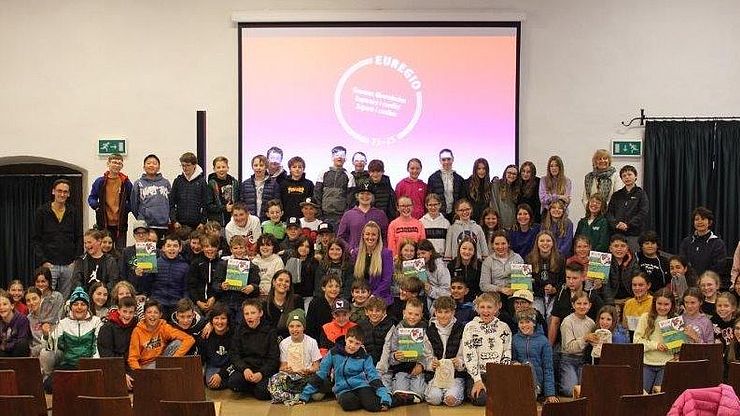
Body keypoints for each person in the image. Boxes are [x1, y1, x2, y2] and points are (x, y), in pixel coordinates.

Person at [299, 326, 394, 411]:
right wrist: (304, 396)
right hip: (343, 389)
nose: (352, 346)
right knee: (348, 404)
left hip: (361, 386)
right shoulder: (333, 353)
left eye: (357, 343)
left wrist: (385, 398)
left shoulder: (365, 357)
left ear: (361, 344)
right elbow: (321, 374)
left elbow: (374, 378)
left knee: (374, 407)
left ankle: (394, 398)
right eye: (350, 341)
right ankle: (367, 401)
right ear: (345, 338)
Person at [42, 287, 103, 391]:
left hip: (89, 365)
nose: (79, 307)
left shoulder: (96, 322)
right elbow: (50, 347)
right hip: (69, 364)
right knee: (49, 386)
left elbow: (97, 346)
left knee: (93, 387)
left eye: (83, 304)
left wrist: (95, 367)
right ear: (70, 307)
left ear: (87, 307)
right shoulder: (63, 323)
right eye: (75, 304)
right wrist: (46, 335)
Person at [32, 178, 83, 299]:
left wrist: (75, 260)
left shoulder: (73, 212)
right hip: (50, 264)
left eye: (65, 192)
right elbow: (35, 239)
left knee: (65, 299)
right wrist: (44, 261)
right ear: (53, 191)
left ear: (69, 194)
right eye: (59, 191)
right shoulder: (42, 211)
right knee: (46, 298)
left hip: (69, 264)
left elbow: (79, 237)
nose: (62, 194)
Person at [462, 292, 512, 406]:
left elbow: (507, 352)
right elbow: (469, 355)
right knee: (481, 400)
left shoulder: (504, 327)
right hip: (478, 374)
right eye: (482, 307)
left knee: (505, 399)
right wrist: (477, 380)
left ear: (496, 309)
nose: (485, 311)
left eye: (489, 307)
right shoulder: (470, 327)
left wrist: (500, 377)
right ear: (477, 309)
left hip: (498, 374)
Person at [377, 297, 431, 401]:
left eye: (416, 314)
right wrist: (395, 357)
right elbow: (391, 355)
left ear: (421, 315)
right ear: (404, 312)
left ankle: (415, 393)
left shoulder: (425, 329)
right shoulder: (397, 329)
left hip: (417, 369)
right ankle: (398, 387)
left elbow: (429, 353)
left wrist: (422, 365)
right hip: (401, 369)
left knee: (419, 393)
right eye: (410, 313)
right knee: (400, 391)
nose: (412, 317)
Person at [227, 298, 280, 400]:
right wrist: (244, 369)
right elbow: (234, 354)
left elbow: (273, 358)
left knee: (262, 394)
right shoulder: (239, 330)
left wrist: (261, 373)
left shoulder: (270, 331)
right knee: (233, 383)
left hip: (263, 370)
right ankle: (253, 386)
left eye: (253, 313)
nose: (249, 317)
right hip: (247, 368)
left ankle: (256, 388)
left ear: (260, 313)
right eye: (246, 314)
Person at [267, 308, 322, 404]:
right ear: (288, 327)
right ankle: (299, 395)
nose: (295, 329)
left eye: (298, 326)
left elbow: (316, 366)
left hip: (307, 376)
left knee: (317, 393)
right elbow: (282, 366)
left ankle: (295, 394)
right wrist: (286, 369)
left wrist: (309, 370)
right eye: (291, 326)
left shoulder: (312, 342)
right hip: (291, 377)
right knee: (275, 379)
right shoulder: (284, 343)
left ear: (303, 327)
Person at [127, 299, 194, 370]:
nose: (152, 315)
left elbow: (189, 339)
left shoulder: (163, 327)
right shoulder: (137, 331)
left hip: (161, 363)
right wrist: (140, 373)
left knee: (177, 343)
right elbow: (132, 358)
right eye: (149, 312)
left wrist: (175, 357)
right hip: (145, 367)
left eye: (156, 312)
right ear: (144, 315)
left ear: (160, 315)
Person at [424, 296, 466, 407]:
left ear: (453, 312)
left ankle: (450, 392)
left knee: (451, 399)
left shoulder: (461, 329)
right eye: (440, 312)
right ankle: (438, 392)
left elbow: (464, 355)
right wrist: (431, 364)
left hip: (455, 376)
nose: (443, 316)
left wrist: (459, 362)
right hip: (436, 376)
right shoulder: (429, 331)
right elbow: (427, 355)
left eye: (447, 312)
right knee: (434, 399)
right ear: (435, 313)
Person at [633, 288, 677, 393]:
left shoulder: (675, 319)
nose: (662, 307)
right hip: (647, 364)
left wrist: (672, 347)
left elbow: (677, 348)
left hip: (666, 364)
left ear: (672, 305)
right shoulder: (645, 317)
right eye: (659, 304)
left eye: (666, 304)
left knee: (660, 395)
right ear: (654, 303)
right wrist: (655, 345)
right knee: (642, 393)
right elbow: (637, 341)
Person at [135, 234, 189, 318]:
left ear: (180, 248)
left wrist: (184, 305)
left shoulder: (185, 266)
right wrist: (141, 275)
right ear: (163, 248)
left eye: (175, 246)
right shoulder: (154, 262)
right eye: (169, 246)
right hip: (157, 303)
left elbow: (186, 289)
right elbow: (146, 286)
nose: (172, 248)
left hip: (176, 305)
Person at [512, 308, 558, 403]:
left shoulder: (543, 341)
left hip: (538, 381)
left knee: (528, 364)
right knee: (525, 364)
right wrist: (515, 363)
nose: (524, 325)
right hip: (520, 379)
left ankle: (535, 391)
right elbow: (512, 359)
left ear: (534, 323)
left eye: (528, 322)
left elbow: (548, 368)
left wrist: (550, 393)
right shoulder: (515, 339)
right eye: (521, 322)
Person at [88, 153, 133, 249]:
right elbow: (92, 197)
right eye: (114, 162)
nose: (116, 165)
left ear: (122, 166)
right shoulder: (100, 182)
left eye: (119, 163)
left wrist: (126, 209)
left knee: (120, 251)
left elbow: (132, 200)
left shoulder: (126, 182)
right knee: (104, 249)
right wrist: (96, 206)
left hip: (120, 223)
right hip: (103, 222)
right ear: (108, 164)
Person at [559, 290, 596, 397]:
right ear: (573, 305)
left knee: (585, 390)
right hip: (569, 359)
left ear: (590, 306)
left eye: (585, 304)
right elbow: (569, 348)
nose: (582, 306)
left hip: (584, 360)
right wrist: (584, 338)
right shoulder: (567, 321)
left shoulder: (591, 323)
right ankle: (561, 381)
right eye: (579, 303)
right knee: (570, 390)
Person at [337, 182, 389, 255]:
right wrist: (350, 250)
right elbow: (341, 237)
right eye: (362, 193)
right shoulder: (348, 215)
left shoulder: (380, 214)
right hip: (354, 257)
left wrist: (382, 250)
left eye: (368, 194)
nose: (365, 196)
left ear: (372, 197)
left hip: (375, 256)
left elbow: (385, 236)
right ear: (357, 196)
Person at [97, 296, 137, 389]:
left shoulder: (136, 326)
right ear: (118, 310)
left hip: (131, 366)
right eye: (125, 311)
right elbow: (106, 355)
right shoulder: (107, 328)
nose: (127, 316)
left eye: (131, 312)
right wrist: (121, 373)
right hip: (112, 368)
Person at [606, 165, 649, 253]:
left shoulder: (641, 193)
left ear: (635, 176)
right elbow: (609, 213)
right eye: (624, 176)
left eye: (629, 174)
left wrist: (628, 225)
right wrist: (616, 224)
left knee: (634, 259)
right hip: (617, 234)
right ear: (622, 179)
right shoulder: (616, 195)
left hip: (634, 234)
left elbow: (643, 212)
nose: (627, 177)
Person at [131, 154, 171, 244]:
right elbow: (134, 205)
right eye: (148, 163)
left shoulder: (166, 183)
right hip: (146, 226)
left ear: (159, 167)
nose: (151, 165)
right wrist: (142, 218)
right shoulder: (138, 183)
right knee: (147, 255)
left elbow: (170, 202)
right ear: (144, 167)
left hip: (163, 226)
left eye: (154, 163)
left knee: (162, 252)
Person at [679, 206, 727, 279]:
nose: (700, 222)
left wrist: (703, 279)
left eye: (703, 219)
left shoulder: (717, 243)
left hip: (708, 282)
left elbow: (718, 267)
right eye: (697, 219)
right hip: (689, 282)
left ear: (709, 222)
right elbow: (682, 263)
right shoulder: (686, 242)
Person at [353, 221, 394, 305]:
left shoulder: (386, 254)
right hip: (360, 297)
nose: (370, 237)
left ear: (378, 237)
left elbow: (387, 280)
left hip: (380, 298)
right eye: (367, 234)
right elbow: (354, 278)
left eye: (373, 234)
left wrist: (373, 296)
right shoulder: (356, 253)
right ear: (363, 235)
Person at [170, 152, 213, 230]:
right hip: (179, 224)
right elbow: (171, 203)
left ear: (194, 165)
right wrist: (174, 220)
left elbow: (205, 204)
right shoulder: (177, 181)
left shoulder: (202, 182)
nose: (185, 168)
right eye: (183, 165)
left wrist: (203, 222)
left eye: (188, 165)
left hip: (197, 225)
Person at [527, 230, 565, 318]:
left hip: (554, 295)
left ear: (553, 243)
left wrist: (555, 289)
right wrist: (541, 290)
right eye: (542, 241)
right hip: (537, 295)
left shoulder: (560, 259)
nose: (545, 243)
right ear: (537, 243)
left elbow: (563, 280)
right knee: (536, 313)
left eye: (548, 241)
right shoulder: (529, 259)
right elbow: (528, 282)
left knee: (551, 314)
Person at [314, 146, 355, 227]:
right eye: (337, 155)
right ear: (332, 157)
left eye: (342, 155)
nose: (339, 157)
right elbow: (317, 194)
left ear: (345, 158)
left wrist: (345, 217)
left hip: (340, 217)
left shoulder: (349, 176)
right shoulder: (323, 173)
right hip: (324, 216)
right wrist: (319, 214)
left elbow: (351, 200)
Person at [72, 228, 120, 293]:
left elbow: (113, 281)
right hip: (85, 297)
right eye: (85, 243)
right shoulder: (81, 260)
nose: (87, 245)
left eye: (89, 242)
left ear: (99, 241)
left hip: (104, 297)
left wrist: (101, 293)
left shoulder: (110, 260)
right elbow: (76, 281)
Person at [199, 303, 233, 390]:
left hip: (231, 365)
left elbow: (235, 359)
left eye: (223, 318)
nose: (219, 322)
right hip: (213, 366)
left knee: (235, 381)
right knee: (211, 383)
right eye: (216, 318)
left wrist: (221, 374)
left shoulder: (234, 334)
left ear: (228, 320)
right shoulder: (206, 335)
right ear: (211, 321)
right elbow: (202, 357)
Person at [480, 230, 524, 298]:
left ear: (508, 244)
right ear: (492, 245)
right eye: (497, 244)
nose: (500, 247)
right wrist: (500, 289)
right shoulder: (488, 261)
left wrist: (512, 290)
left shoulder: (517, 258)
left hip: (514, 295)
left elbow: (522, 282)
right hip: (495, 295)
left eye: (503, 243)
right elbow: (484, 285)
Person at [262, 269, 302, 340]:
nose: (283, 283)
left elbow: (300, 324)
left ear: (290, 285)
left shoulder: (297, 300)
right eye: (280, 280)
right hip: (272, 341)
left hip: (293, 340)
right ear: (274, 282)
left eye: (287, 281)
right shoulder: (265, 304)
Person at [427, 149, 465, 223]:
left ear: (453, 159)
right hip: (438, 215)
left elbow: (461, 199)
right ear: (440, 161)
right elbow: (429, 198)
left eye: (449, 159)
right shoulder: (433, 178)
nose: (446, 162)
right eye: (444, 160)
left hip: (455, 215)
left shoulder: (459, 179)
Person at [239, 154, 278, 221]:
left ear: (266, 167)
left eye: (261, 165)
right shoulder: (245, 184)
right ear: (252, 167)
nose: (258, 168)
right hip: (249, 220)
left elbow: (277, 203)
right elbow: (241, 204)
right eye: (256, 165)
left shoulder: (274, 184)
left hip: (267, 221)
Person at [283, 236, 318, 309]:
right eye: (301, 245)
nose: (304, 248)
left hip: (308, 296)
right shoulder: (290, 260)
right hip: (292, 296)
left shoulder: (314, 262)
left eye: (307, 247)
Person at [359, 297, 395, 365]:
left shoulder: (390, 326)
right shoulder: (361, 325)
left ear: (384, 312)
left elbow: (388, 350)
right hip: (365, 365)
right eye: (371, 310)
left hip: (385, 367)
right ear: (366, 312)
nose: (374, 313)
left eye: (378, 311)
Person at [306, 274, 342, 339]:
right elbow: (310, 328)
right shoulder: (315, 303)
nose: (334, 289)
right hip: (318, 341)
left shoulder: (342, 303)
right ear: (323, 288)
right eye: (330, 286)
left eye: (337, 286)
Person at [608, 233, 641, 304]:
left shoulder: (633, 260)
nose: (619, 249)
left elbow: (638, 281)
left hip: (630, 299)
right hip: (611, 300)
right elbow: (605, 288)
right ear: (610, 249)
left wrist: (632, 299)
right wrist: (613, 302)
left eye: (623, 246)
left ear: (627, 248)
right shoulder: (604, 261)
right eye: (616, 246)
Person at [279, 156, 314, 221]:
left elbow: (312, 203)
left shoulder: (309, 184)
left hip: (303, 219)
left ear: (303, 169)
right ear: (290, 169)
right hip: (285, 218)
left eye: (300, 167)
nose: (297, 169)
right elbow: (280, 201)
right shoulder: (283, 184)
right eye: (294, 167)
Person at [207, 156, 239, 227]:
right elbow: (209, 206)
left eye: (223, 167)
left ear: (228, 168)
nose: (221, 169)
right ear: (214, 169)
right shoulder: (211, 184)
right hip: (217, 223)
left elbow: (239, 201)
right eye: (218, 167)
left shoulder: (235, 182)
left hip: (234, 221)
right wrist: (225, 208)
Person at [447, 237, 482, 301]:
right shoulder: (451, 265)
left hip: (475, 300)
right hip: (455, 300)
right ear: (459, 249)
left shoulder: (480, 265)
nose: (467, 252)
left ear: (474, 252)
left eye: (470, 249)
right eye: (464, 248)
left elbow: (481, 287)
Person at [0, 289, 31, 357]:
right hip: (4, 353)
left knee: (22, 344)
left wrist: (5, 346)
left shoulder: (22, 319)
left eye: (5, 304)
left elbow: (22, 340)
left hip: (17, 352)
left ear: (12, 306)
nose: (1, 307)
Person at [462, 158, 493, 223]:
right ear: (475, 170)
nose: (481, 171)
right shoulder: (466, 184)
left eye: (484, 169)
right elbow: (463, 203)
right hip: (469, 220)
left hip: (485, 221)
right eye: (479, 169)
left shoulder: (489, 185)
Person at [622, 273, 653, 338]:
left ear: (648, 285)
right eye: (634, 285)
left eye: (641, 285)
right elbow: (625, 327)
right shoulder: (628, 303)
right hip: (631, 342)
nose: (637, 288)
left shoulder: (654, 302)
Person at [491, 164, 519, 229]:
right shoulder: (496, 184)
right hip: (499, 224)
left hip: (511, 225)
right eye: (509, 173)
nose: (511, 175)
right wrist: (497, 221)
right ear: (505, 173)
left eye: (514, 174)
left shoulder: (516, 188)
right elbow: (494, 203)